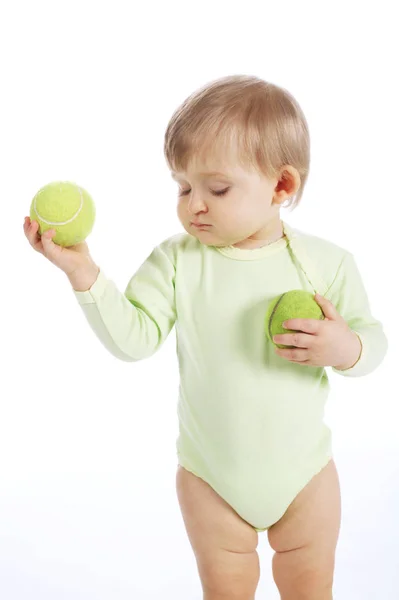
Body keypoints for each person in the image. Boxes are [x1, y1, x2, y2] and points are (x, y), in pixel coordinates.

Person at [23, 74, 388, 600]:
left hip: (306, 475)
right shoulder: (176, 261)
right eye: (183, 186)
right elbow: (135, 340)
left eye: (216, 189)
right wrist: (83, 271)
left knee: (311, 589)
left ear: (281, 187)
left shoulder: (326, 263)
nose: (194, 204)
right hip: (210, 479)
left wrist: (345, 347)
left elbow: (372, 342)